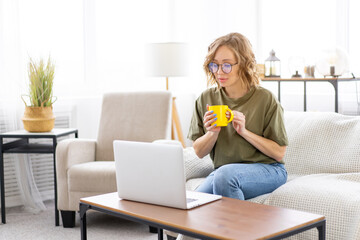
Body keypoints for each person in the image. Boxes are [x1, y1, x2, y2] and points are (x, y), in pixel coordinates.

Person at [188, 32, 288, 200]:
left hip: (269, 170)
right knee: (192, 202)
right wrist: (212, 133)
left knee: (225, 176)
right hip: (224, 171)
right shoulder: (206, 99)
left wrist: (244, 132)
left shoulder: (265, 99)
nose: (219, 72)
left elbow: (279, 153)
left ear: (243, 64)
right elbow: (198, 151)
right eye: (214, 65)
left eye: (226, 65)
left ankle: (240, 226)